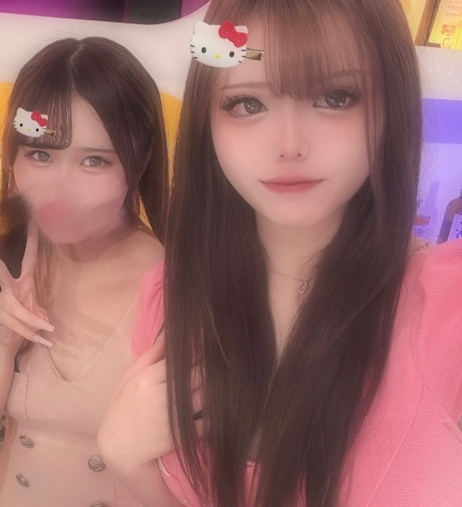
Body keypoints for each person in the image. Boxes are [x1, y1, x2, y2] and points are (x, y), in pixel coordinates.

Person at [98, 0, 462, 505]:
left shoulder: (446, 307)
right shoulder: (172, 296)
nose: (289, 145)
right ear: (207, 118)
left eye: (335, 97)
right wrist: (125, 459)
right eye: (247, 103)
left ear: (391, 107)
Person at [0, 37, 168, 506]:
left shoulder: (180, 284)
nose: (60, 187)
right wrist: (2, 344)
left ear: (138, 162)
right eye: (40, 154)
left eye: (94, 160)